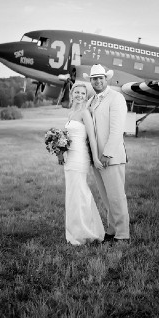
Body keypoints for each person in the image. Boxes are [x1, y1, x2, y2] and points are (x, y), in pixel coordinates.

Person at [85, 64, 130, 244]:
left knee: (117, 196)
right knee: (106, 197)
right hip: (96, 159)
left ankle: (123, 234)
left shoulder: (116, 98)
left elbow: (117, 129)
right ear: (90, 81)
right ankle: (111, 231)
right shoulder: (90, 101)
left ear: (106, 79)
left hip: (111, 157)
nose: (97, 81)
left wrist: (107, 154)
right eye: (94, 79)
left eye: (100, 78)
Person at [59, 82, 105, 245]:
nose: (79, 95)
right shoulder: (71, 113)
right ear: (72, 94)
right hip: (69, 157)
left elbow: (92, 138)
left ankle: (89, 231)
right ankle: (74, 231)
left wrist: (96, 158)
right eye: (77, 92)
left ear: (86, 97)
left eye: (83, 94)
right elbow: (66, 138)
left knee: (81, 192)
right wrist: (60, 149)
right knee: (72, 194)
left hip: (80, 157)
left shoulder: (85, 113)